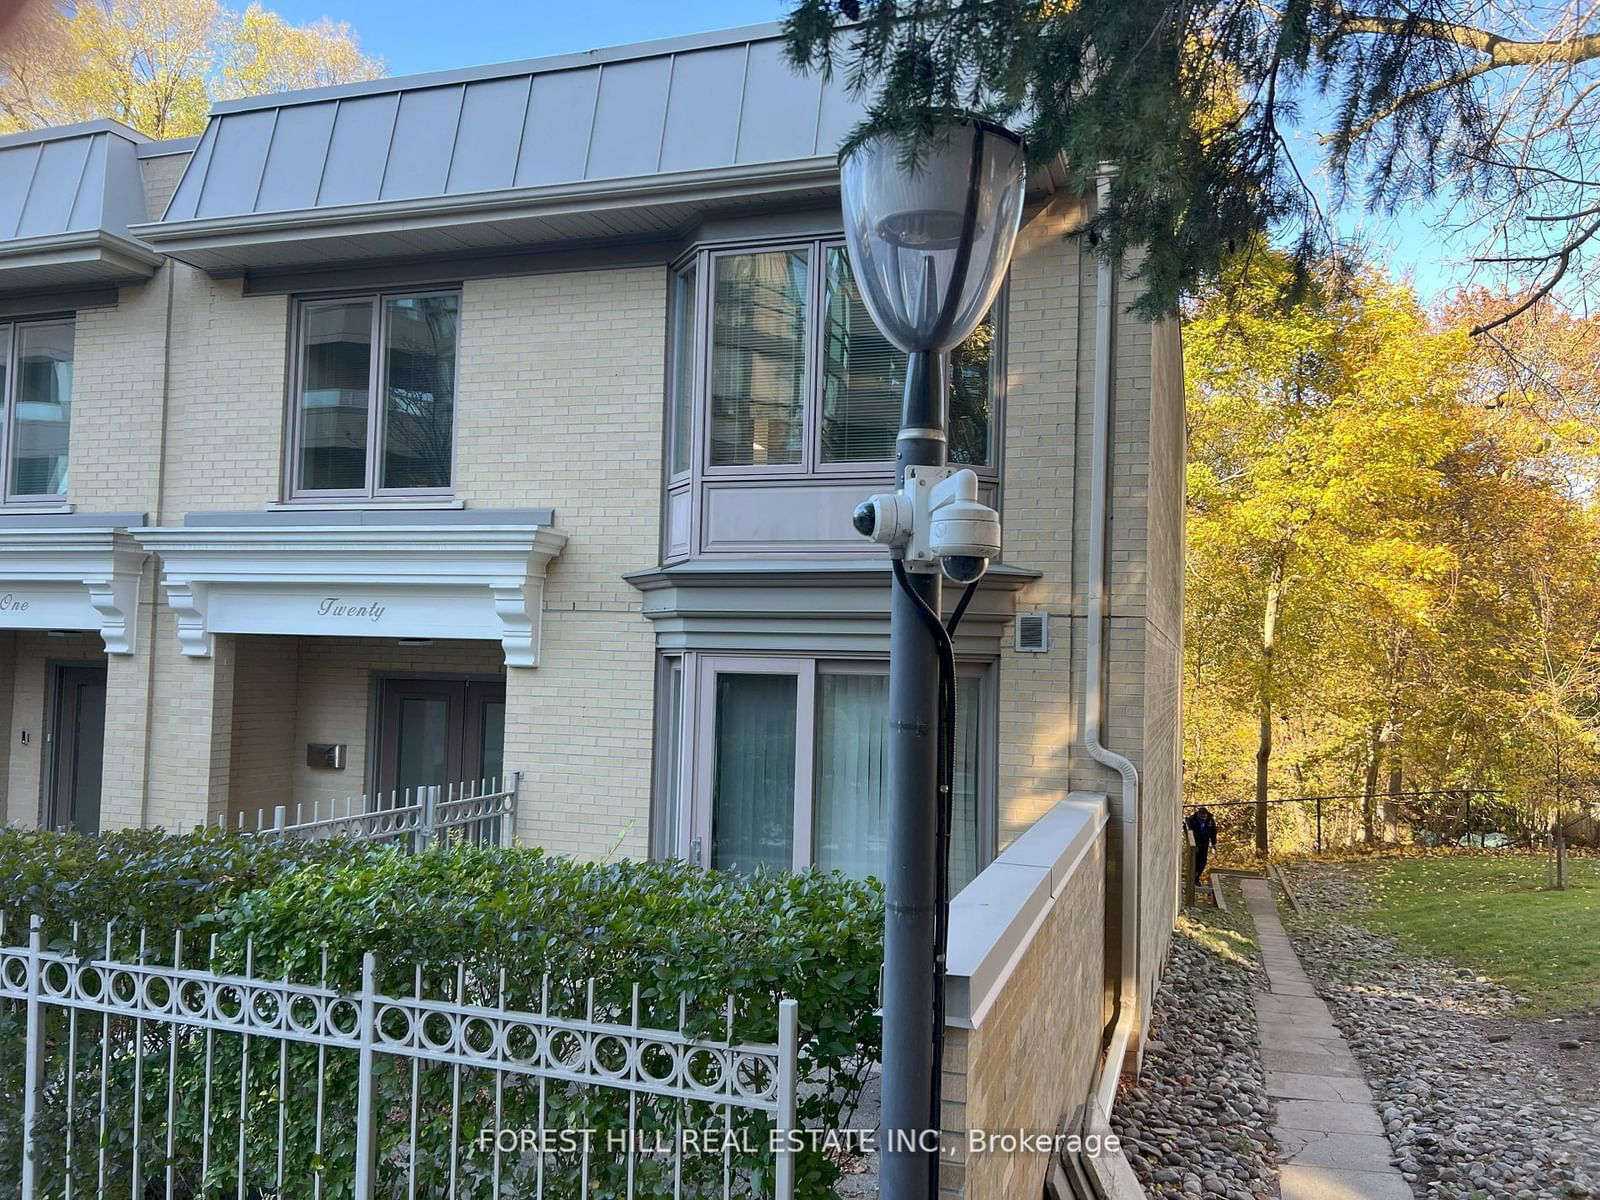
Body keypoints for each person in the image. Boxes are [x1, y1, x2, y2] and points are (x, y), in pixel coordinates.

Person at [1186, 806, 1219, 884]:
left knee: (1203, 861)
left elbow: (1213, 833)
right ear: (1198, 814)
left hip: (1205, 842)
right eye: (1202, 816)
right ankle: (1193, 878)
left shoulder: (1210, 821)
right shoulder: (1192, 820)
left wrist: (1214, 843)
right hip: (1196, 842)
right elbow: (1188, 830)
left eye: (1205, 816)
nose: (1203, 818)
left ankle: (1197, 876)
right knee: (1195, 861)